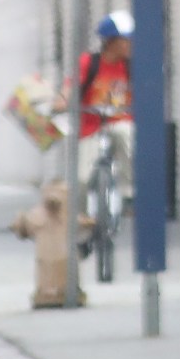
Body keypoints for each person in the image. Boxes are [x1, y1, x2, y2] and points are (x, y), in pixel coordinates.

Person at [74, 11, 136, 217]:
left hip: (120, 121)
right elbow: (71, 86)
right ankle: (82, 226)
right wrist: (63, 100)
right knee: (82, 178)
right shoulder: (88, 63)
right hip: (91, 126)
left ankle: (128, 195)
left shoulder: (131, 66)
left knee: (127, 136)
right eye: (126, 40)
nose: (130, 44)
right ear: (111, 42)